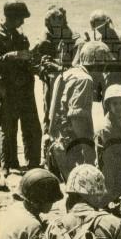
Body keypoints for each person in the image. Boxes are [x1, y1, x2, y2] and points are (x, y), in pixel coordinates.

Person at [0, 0, 42, 173]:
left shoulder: (20, 35)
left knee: (32, 128)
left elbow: (28, 61)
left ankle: (33, 165)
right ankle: (8, 166)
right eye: (20, 18)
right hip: (7, 89)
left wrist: (34, 58)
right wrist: (12, 56)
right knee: (8, 129)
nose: (22, 22)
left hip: (25, 88)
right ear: (11, 16)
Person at [47, 41, 113, 182]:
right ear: (97, 65)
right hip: (71, 147)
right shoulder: (85, 80)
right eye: (104, 66)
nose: (104, 71)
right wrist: (89, 151)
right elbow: (77, 118)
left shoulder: (69, 73)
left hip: (59, 143)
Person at [84, 10, 121, 129]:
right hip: (108, 89)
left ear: (109, 23)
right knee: (110, 123)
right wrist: (97, 90)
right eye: (98, 29)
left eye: (104, 27)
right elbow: (96, 69)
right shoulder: (98, 43)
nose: (102, 30)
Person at [32, 5, 77, 138]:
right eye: (55, 19)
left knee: (65, 108)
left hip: (66, 75)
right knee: (50, 108)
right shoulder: (44, 37)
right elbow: (38, 59)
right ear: (49, 21)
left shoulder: (67, 32)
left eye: (61, 18)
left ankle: (65, 137)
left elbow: (73, 50)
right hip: (51, 77)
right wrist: (52, 67)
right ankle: (48, 138)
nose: (59, 21)